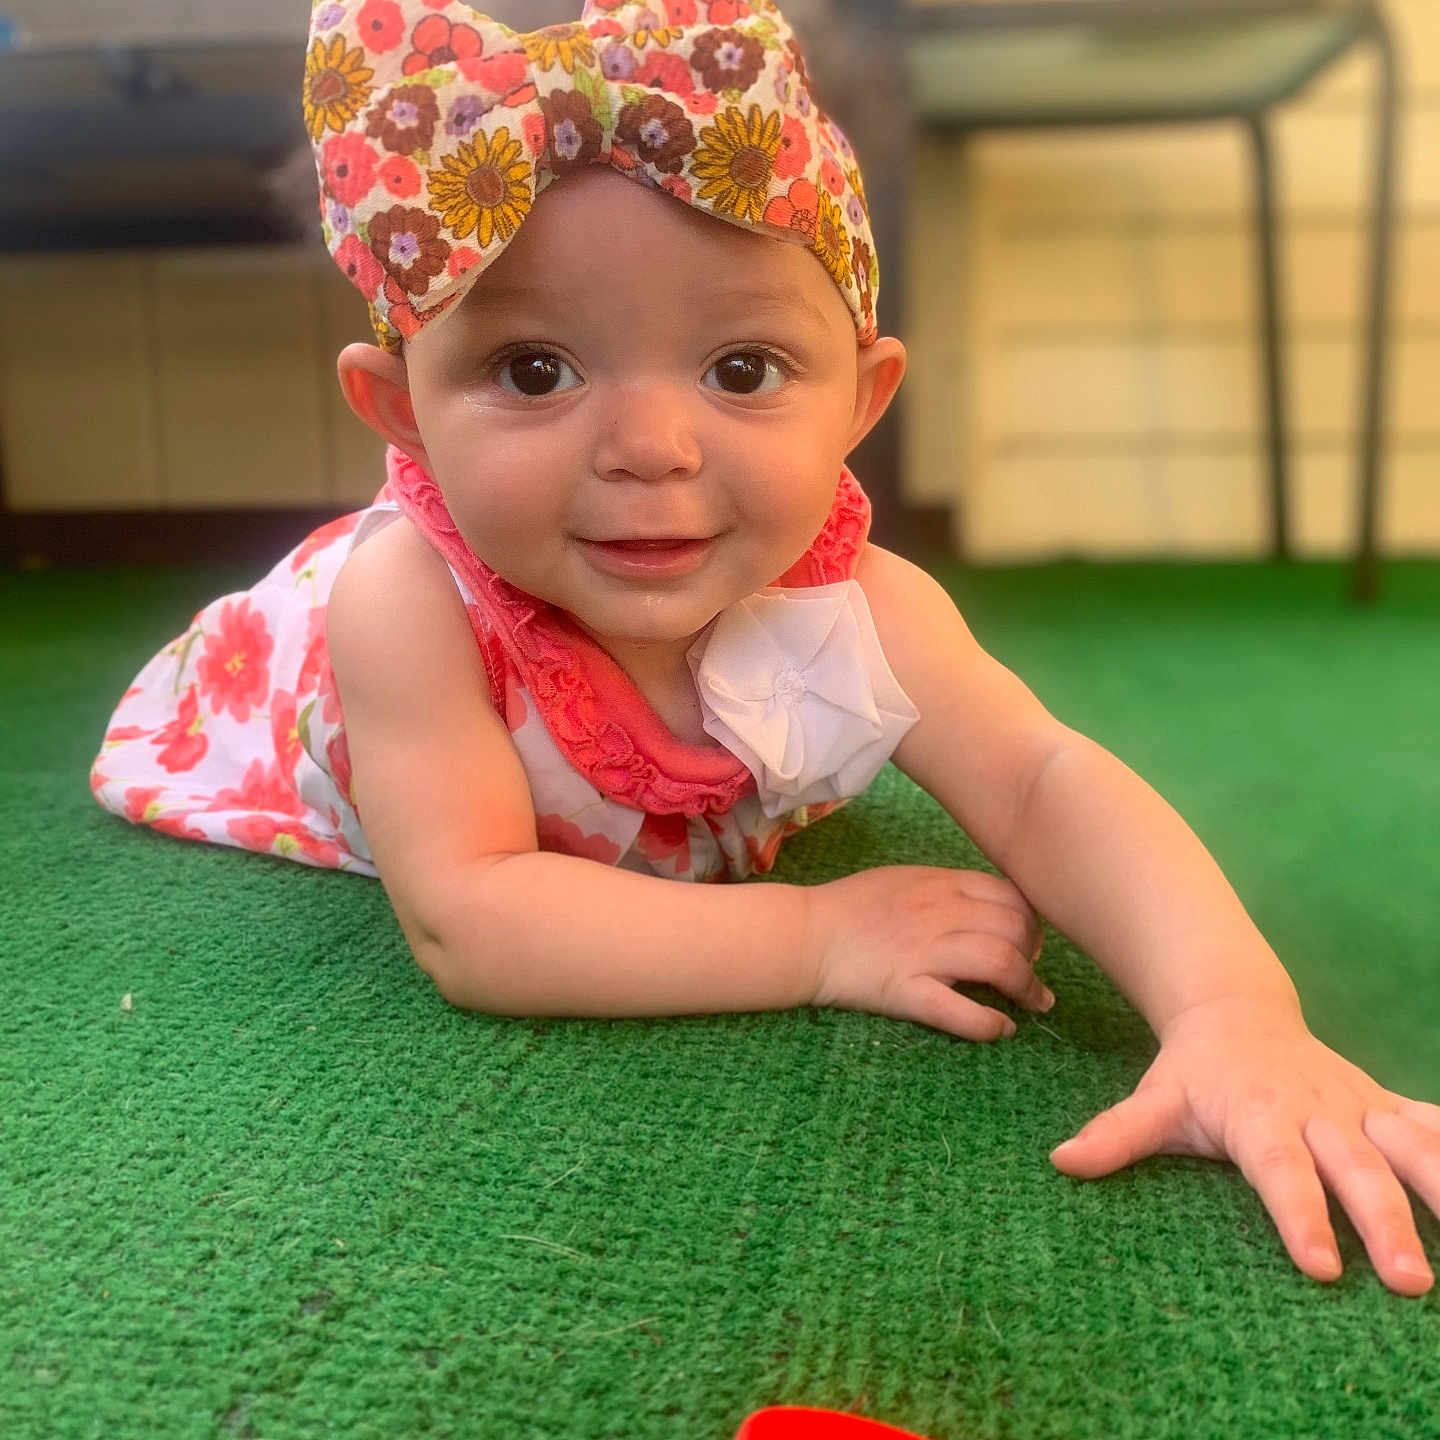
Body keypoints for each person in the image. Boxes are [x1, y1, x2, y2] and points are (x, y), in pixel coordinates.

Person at [91, 0, 1438, 1296]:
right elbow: (475, 918)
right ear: (400, 411)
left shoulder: (863, 604)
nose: (649, 449)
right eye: (534, 371)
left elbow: (1041, 780)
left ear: (862, 397)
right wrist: (814, 937)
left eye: (741, 370)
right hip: (301, 704)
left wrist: (1232, 1013)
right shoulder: (406, 608)